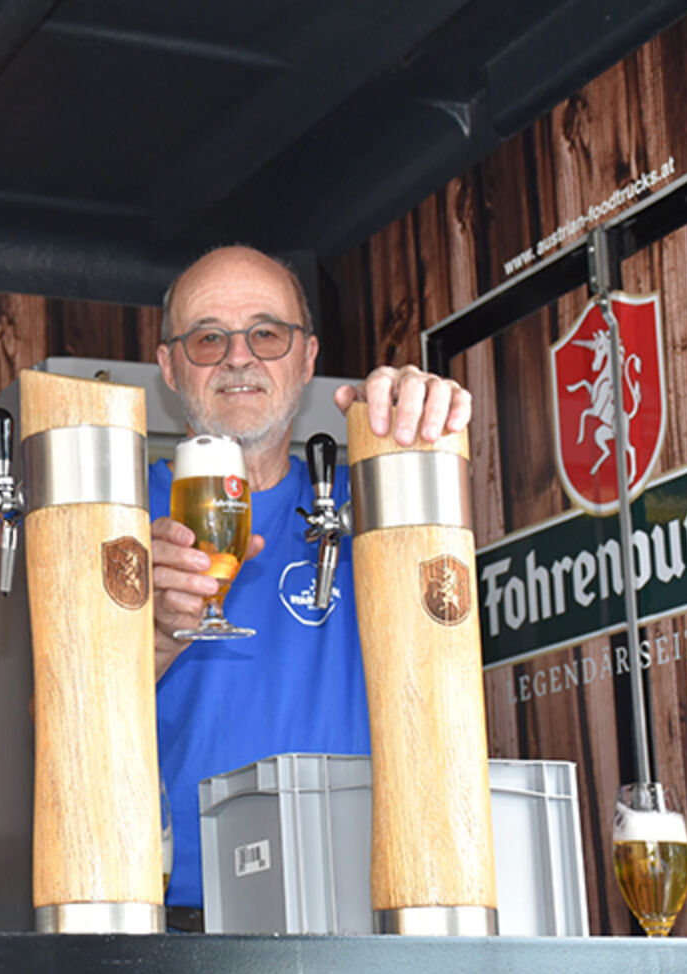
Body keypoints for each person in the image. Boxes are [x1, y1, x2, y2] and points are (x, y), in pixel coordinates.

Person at [148, 245, 472, 927]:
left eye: (266, 333)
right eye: (208, 338)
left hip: (370, 897)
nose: (239, 356)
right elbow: (50, 717)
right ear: (170, 366)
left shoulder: (381, 506)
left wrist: (429, 416)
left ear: (307, 357)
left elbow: (450, 624)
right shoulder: (118, 519)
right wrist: (148, 639)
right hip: (184, 915)